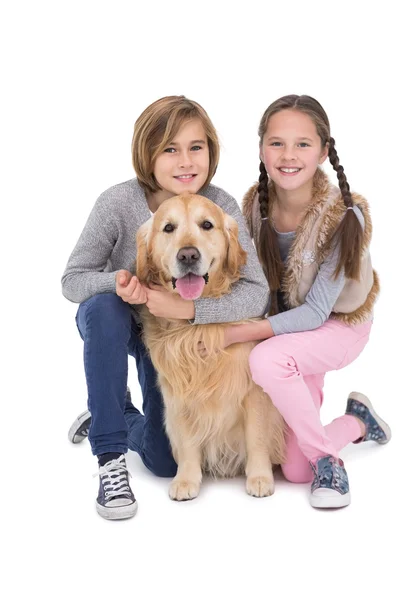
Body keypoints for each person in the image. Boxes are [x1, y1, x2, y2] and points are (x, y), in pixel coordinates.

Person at [62, 95, 268, 520]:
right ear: (147, 153)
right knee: (103, 308)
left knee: (161, 461)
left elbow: (255, 291)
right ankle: (109, 455)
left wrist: (186, 311)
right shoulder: (117, 203)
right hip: (123, 325)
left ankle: (112, 409)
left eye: (197, 147)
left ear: (211, 152)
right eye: (169, 148)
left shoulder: (220, 204)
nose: (185, 161)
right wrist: (121, 283)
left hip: (175, 335)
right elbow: (72, 279)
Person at [222, 94, 391, 509]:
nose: (288, 155)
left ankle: (329, 464)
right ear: (261, 148)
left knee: (265, 360)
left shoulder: (345, 214)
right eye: (277, 143)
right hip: (289, 334)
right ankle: (357, 422)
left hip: (338, 326)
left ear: (324, 151)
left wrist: (244, 332)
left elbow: (317, 311)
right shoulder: (252, 206)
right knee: (295, 470)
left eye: (303, 144)